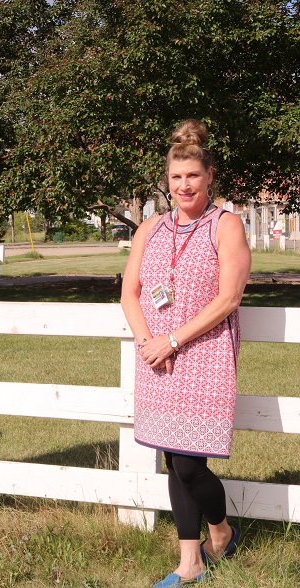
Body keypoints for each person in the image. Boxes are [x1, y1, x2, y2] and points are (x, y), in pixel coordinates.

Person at [121, 120, 251, 587]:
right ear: (167, 180)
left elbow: (228, 298)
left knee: (192, 462)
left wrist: (173, 340)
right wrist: (147, 344)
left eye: (192, 176)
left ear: (210, 174)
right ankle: (190, 562)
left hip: (205, 353)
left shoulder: (227, 225)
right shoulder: (150, 229)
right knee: (173, 460)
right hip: (156, 356)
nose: (184, 186)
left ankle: (221, 531)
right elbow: (130, 294)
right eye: (176, 178)